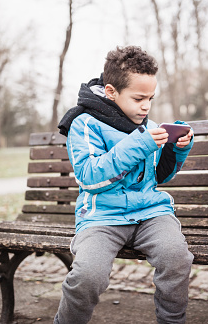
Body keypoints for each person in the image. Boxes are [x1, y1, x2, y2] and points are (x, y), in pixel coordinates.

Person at [55, 45, 194, 324]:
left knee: (176, 257)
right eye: (139, 98)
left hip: (151, 214)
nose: (146, 106)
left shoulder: (148, 124)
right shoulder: (83, 124)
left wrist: (177, 149)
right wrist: (139, 143)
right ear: (111, 91)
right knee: (88, 275)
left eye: (151, 98)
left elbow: (158, 177)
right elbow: (89, 177)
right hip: (102, 217)